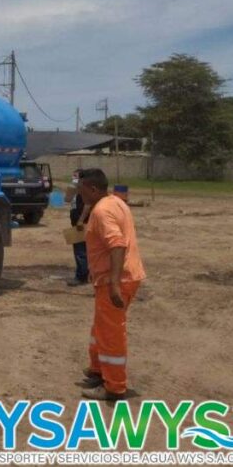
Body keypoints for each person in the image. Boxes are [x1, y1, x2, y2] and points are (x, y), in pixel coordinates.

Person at [76, 168, 146, 400]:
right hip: (113, 277)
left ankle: (114, 386)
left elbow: (117, 245)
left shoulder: (102, 211)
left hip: (115, 280)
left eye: (82, 188)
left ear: (93, 189)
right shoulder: (115, 202)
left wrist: (114, 283)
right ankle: (98, 370)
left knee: (111, 333)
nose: (79, 192)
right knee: (100, 329)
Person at [63, 170, 90, 286]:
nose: (73, 178)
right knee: (79, 248)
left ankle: (82, 276)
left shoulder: (86, 189)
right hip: (75, 221)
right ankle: (84, 274)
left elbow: (88, 205)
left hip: (82, 222)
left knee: (80, 250)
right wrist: (72, 186)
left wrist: (81, 220)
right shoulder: (75, 189)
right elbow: (67, 199)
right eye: (72, 176)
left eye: (76, 176)